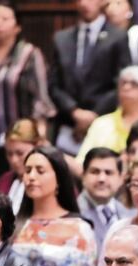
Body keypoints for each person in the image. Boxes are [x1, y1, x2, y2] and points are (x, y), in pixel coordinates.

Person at [11, 146, 96, 266]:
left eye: (40, 171)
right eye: (27, 171)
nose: (31, 177)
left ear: (58, 178)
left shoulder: (79, 227)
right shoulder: (13, 227)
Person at [0, 0, 56, 138]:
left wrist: (39, 131)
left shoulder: (30, 54)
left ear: (17, 26)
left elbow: (41, 97)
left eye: (5, 19)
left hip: (21, 134)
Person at [49, 0, 122, 153]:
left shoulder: (118, 38)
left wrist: (93, 115)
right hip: (67, 124)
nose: (85, 3)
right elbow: (54, 85)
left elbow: (120, 84)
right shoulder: (61, 39)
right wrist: (74, 112)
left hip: (104, 122)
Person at [76, 65, 138, 162]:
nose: (126, 87)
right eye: (123, 83)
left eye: (134, 84)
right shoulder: (100, 123)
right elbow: (82, 161)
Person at [78, 147, 131, 249]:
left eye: (108, 173)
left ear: (121, 179)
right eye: (95, 172)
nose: (101, 179)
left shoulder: (131, 215)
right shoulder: (73, 215)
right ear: (83, 176)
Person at [0, 118, 46, 215]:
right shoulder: (4, 181)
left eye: (20, 153)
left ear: (37, 147)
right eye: (9, 154)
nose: (14, 160)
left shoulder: (51, 181)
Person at [105, 0, 138, 78]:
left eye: (118, 3)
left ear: (130, 8)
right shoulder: (103, 36)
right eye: (107, 5)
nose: (111, 8)